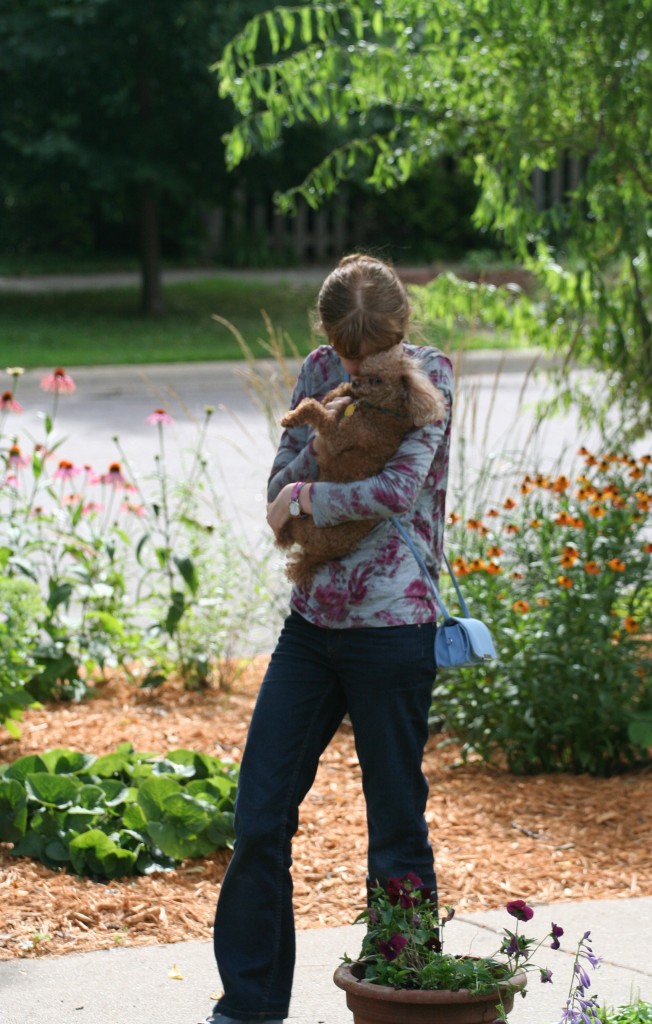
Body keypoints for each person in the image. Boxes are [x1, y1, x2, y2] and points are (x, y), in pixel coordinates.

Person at [199, 253, 454, 1024]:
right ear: (329, 341)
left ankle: (403, 996)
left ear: (399, 331)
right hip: (312, 625)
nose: (354, 363)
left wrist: (310, 495)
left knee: (396, 820)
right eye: (345, 351)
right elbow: (276, 481)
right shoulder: (319, 370)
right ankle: (247, 1006)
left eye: (366, 350)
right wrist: (319, 444)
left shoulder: (430, 377)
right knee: (259, 813)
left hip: (394, 628)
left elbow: (396, 490)